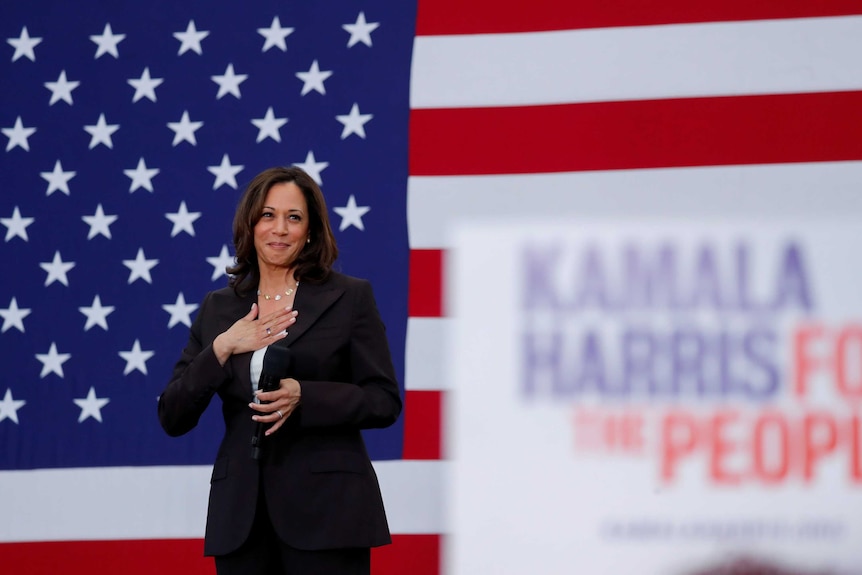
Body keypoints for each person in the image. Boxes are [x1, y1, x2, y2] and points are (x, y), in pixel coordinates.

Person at [158, 166, 402, 574]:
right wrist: (221, 348)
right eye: (268, 215)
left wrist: (306, 396)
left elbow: (383, 400)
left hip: (329, 513)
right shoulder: (219, 308)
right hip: (242, 518)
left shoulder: (350, 297)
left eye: (294, 217)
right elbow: (173, 414)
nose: (280, 229)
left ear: (310, 230)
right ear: (250, 224)